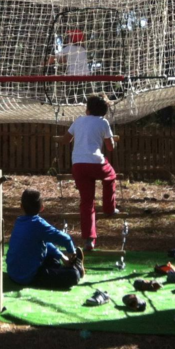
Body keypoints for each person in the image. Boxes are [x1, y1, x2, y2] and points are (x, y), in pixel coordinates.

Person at [63, 94, 117, 251]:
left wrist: (62, 139)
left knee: (87, 202)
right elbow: (110, 147)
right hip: (96, 164)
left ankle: (89, 239)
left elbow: (66, 140)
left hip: (78, 165)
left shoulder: (79, 120)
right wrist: (111, 140)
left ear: (87, 109)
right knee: (110, 175)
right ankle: (109, 208)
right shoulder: (103, 122)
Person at [6, 188, 84, 289]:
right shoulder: (38, 224)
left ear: (21, 207)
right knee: (73, 275)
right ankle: (76, 268)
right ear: (42, 207)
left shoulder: (19, 221)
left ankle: (62, 267)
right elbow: (66, 239)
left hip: (13, 273)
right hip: (28, 277)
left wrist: (61, 256)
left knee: (53, 257)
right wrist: (72, 252)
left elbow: (43, 242)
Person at [47, 29, 88, 104]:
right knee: (83, 98)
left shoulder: (69, 48)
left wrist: (46, 62)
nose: (68, 38)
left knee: (69, 98)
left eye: (69, 37)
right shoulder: (83, 49)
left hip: (73, 77)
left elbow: (55, 58)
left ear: (72, 39)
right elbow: (65, 59)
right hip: (85, 77)